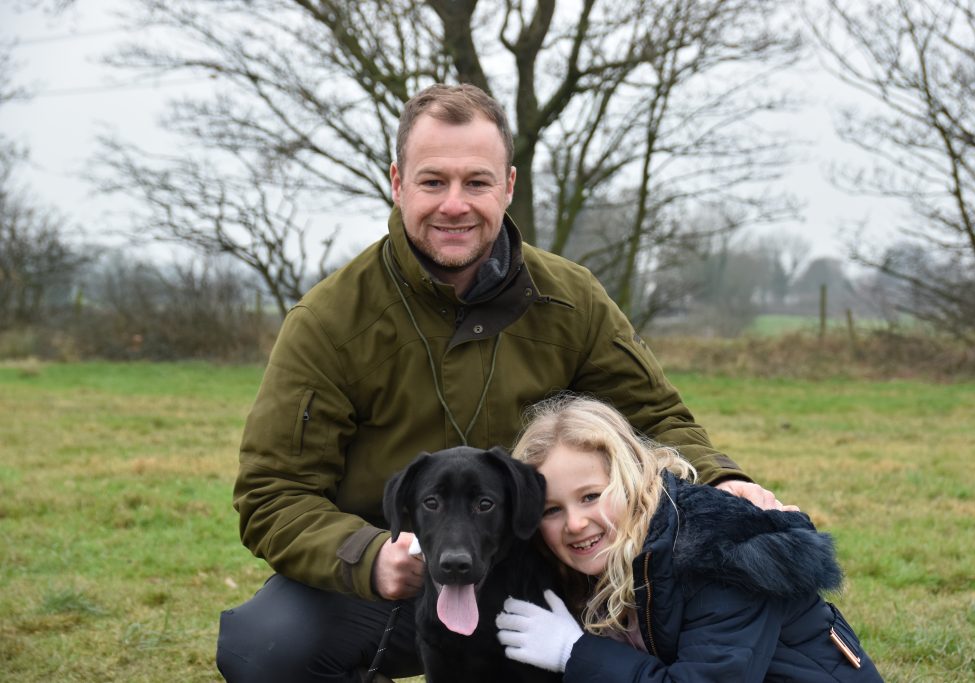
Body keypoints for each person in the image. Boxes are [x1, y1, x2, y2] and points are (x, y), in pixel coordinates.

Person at [216, 83, 787, 683]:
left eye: (477, 183)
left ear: (508, 186)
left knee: (686, 604)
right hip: (403, 584)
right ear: (397, 182)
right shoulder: (329, 322)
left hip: (557, 574)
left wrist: (727, 479)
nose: (455, 205)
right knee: (264, 646)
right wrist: (369, 557)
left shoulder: (572, 300)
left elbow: (657, 422)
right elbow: (272, 493)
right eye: (433, 181)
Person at [495, 394, 883, 682]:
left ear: (631, 481)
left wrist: (573, 651)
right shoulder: (577, 562)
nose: (575, 523)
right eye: (551, 509)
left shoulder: (720, 550)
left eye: (591, 496)